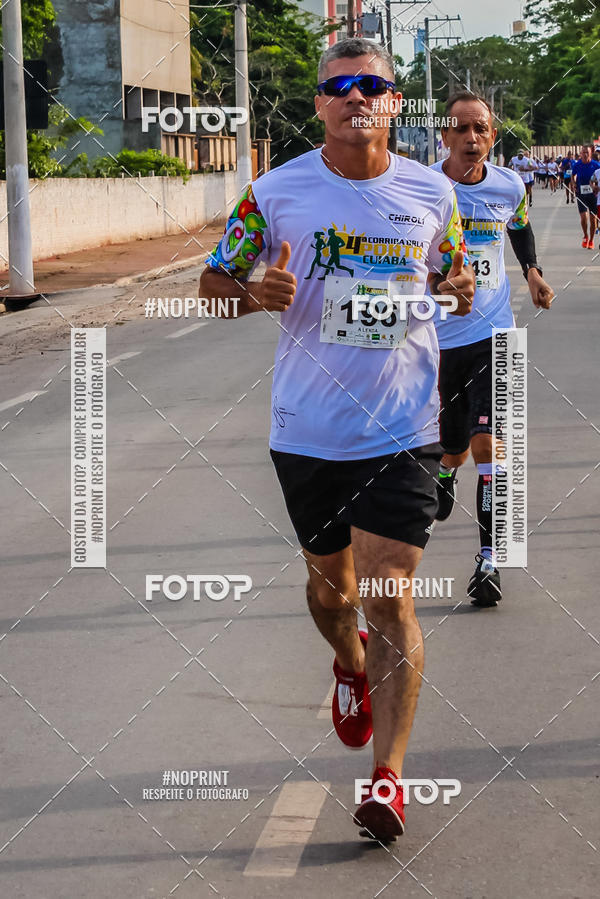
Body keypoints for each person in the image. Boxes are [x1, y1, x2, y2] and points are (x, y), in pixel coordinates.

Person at [200, 38, 475, 842]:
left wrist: (455, 290)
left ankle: (387, 780)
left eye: (373, 86)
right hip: (309, 431)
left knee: (392, 590)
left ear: (394, 102)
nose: (357, 96)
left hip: (404, 428)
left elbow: (452, 283)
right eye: (340, 86)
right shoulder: (273, 191)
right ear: (319, 103)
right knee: (334, 592)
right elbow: (211, 290)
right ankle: (349, 663)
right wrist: (252, 294)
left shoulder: (432, 193)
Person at [431, 92, 554, 606]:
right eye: (460, 129)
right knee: (454, 449)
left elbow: (520, 225)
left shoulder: (509, 184)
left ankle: (490, 560)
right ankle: (442, 471)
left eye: (480, 129)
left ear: (492, 136)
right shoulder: (425, 188)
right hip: (437, 341)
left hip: (495, 335)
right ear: (445, 137)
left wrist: (532, 272)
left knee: (491, 451)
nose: (471, 138)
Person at [572, 144, 600, 249]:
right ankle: (586, 236)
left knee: (593, 219)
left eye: (587, 152)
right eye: (583, 152)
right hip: (581, 194)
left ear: (590, 153)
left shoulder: (596, 165)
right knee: (584, 218)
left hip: (593, 195)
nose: (585, 154)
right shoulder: (577, 165)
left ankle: (592, 240)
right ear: (580, 153)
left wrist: (596, 187)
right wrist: (574, 184)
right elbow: (573, 175)